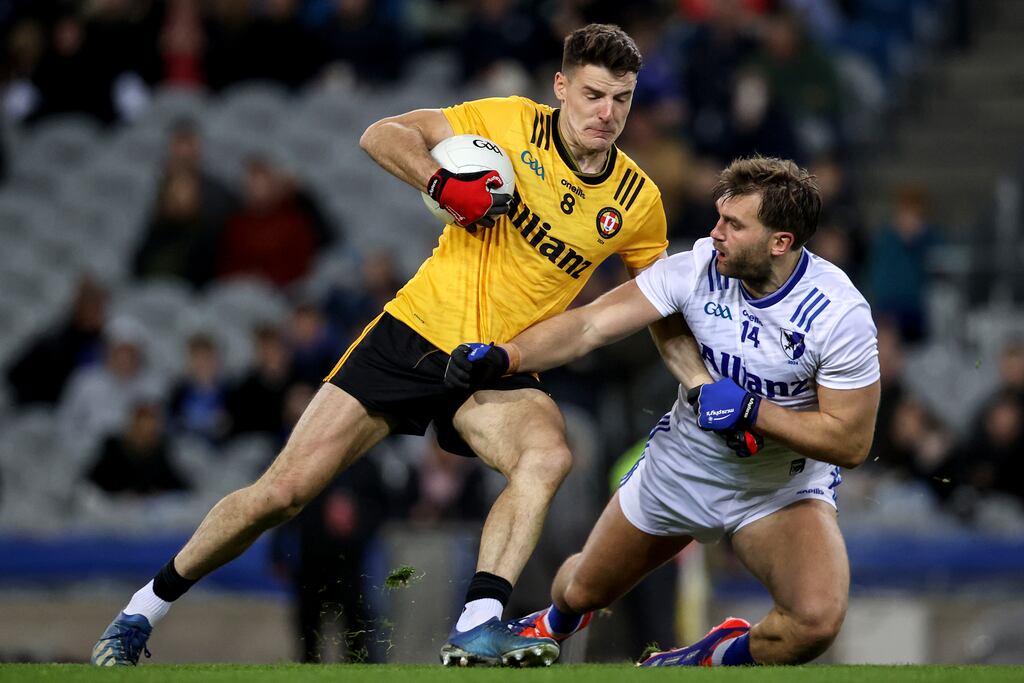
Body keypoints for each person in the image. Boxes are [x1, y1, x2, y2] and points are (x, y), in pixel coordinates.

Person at [91, 23, 671, 668]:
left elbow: (660, 303)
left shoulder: (637, 202)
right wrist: (440, 184)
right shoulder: (507, 122)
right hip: (412, 334)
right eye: (593, 94)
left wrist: (699, 380)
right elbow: (382, 134)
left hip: (493, 364)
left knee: (548, 456)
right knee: (281, 494)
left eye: (621, 99)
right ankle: (142, 610)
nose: (607, 113)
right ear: (561, 86)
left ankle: (478, 622)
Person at [445, 156, 881, 666]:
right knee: (582, 591)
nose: (715, 233)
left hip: (778, 490)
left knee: (814, 623)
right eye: (718, 217)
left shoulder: (838, 314)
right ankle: (550, 623)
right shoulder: (695, 267)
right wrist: (507, 356)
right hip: (682, 469)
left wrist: (750, 409)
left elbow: (850, 442)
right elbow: (590, 325)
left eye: (734, 225)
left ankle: (700, 662)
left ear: (780, 242)